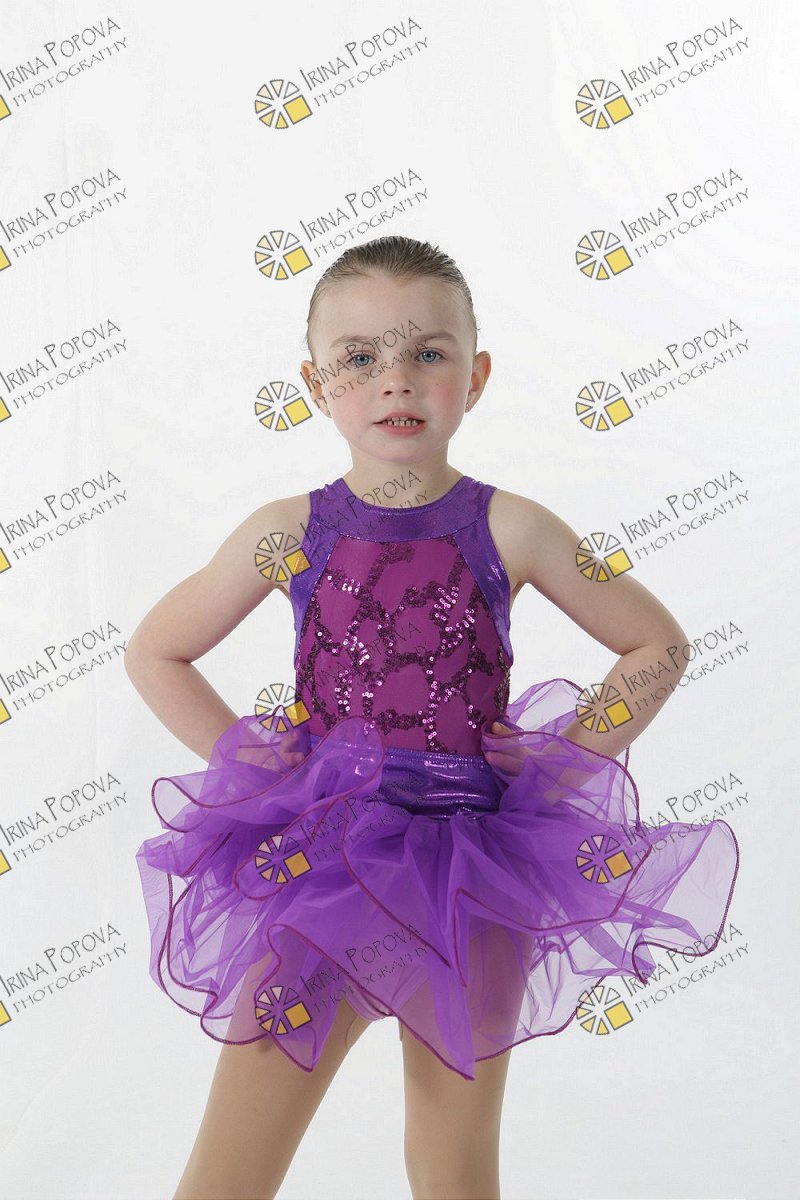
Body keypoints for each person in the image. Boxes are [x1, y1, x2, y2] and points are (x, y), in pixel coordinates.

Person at [126, 234, 740, 1200]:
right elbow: (156, 649)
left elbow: (655, 645)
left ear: (476, 376)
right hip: (323, 862)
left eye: (429, 353)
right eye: (360, 357)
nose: (396, 379)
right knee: (231, 1170)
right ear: (316, 384)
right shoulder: (289, 531)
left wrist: (569, 756)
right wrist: (247, 757)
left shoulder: (515, 527)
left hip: (475, 874)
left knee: (454, 1171)